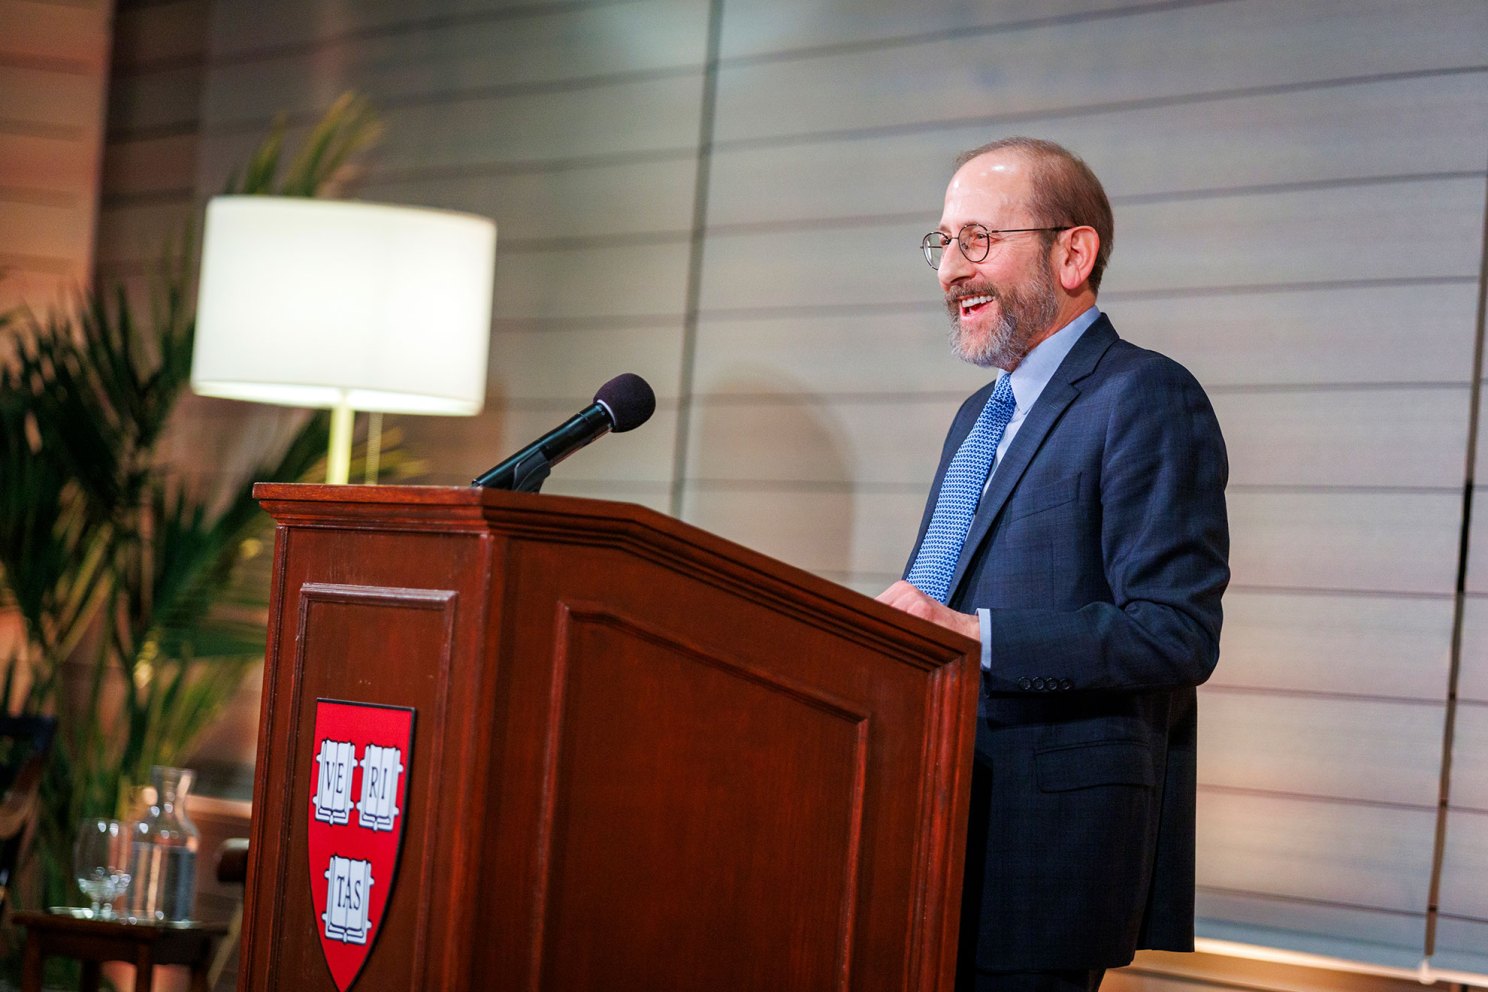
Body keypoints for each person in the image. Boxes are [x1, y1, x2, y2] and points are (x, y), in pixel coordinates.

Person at [876, 137, 1230, 992]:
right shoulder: (976, 416)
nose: (951, 269)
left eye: (979, 240)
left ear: (1073, 252)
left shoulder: (1145, 395)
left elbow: (1175, 632)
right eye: (943, 243)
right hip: (927, 827)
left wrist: (973, 636)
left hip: (1040, 854)